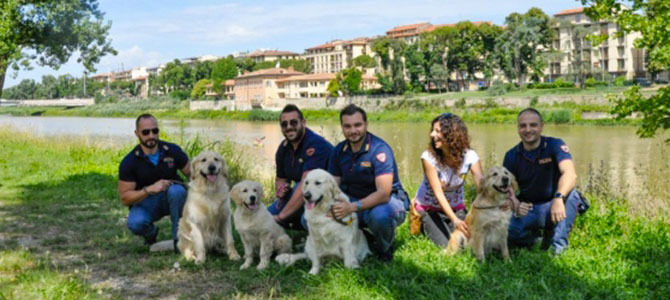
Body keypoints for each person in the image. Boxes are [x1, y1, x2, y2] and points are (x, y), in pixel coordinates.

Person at [329, 104, 408, 261]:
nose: (353, 131)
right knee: (308, 217)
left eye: (357, 125)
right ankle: (366, 238)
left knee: (380, 217)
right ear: (342, 127)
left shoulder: (379, 149)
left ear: (366, 124)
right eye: (347, 126)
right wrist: (330, 207)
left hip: (386, 202)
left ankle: (384, 248)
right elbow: (333, 187)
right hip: (354, 200)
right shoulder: (339, 150)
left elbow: (383, 194)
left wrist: (351, 208)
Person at [504, 108, 588, 255]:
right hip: (529, 208)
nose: (528, 129)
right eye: (523, 126)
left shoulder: (554, 145)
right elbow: (505, 188)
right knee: (507, 231)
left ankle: (558, 248)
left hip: (554, 205)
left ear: (541, 126)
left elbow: (570, 174)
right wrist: (516, 204)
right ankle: (537, 239)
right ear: (518, 128)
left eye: (533, 125)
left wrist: (558, 197)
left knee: (572, 195)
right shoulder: (511, 155)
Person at [118, 114, 190, 252]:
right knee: (135, 223)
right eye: (145, 132)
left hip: (175, 198)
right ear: (137, 133)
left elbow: (194, 174)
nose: (151, 135)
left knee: (177, 191)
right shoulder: (129, 161)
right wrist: (148, 190)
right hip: (145, 202)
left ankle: (179, 241)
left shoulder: (173, 150)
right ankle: (151, 234)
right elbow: (125, 198)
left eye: (155, 131)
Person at [412, 113, 483, 247]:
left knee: (466, 244)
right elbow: (438, 193)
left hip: (457, 209)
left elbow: (482, 186)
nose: (432, 134)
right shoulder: (428, 158)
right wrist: (455, 221)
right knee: (447, 245)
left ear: (452, 135)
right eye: (432, 130)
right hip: (430, 209)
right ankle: (424, 224)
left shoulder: (470, 156)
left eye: (437, 131)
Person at [269, 104, 334, 230]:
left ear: (303, 122)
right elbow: (280, 179)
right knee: (268, 215)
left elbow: (306, 185)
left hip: (327, 195)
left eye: (293, 122)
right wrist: (281, 188)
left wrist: (281, 217)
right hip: (305, 194)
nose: (289, 127)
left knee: (303, 218)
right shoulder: (283, 148)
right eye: (284, 124)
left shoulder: (316, 144)